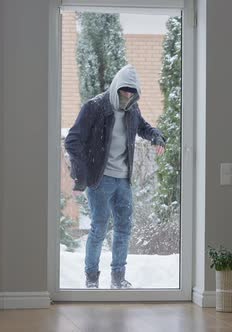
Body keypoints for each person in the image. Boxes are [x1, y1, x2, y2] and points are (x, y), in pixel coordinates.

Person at [65, 64, 166, 289]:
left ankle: (118, 279)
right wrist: (81, 174)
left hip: (123, 180)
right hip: (100, 180)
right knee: (99, 228)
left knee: (123, 228)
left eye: (132, 93)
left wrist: (157, 137)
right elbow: (72, 140)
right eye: (124, 91)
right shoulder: (94, 107)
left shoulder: (132, 109)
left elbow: (145, 128)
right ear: (115, 88)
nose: (128, 96)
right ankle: (92, 279)